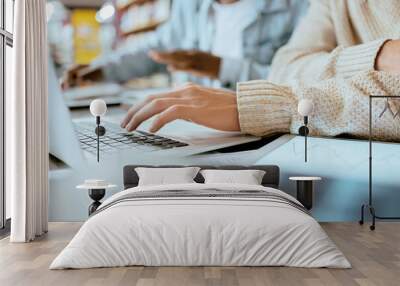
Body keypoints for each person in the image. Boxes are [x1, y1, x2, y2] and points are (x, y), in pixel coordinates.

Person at [121, 0, 400, 142]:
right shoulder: (192, 6)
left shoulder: (290, 5)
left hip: (284, 122)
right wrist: (378, 56)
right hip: (245, 122)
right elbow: (285, 69)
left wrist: (260, 105)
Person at [64, 0, 307, 89]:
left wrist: (221, 68)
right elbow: (153, 49)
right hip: (201, 134)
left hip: (264, 137)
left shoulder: (296, 8)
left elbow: (303, 80)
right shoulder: (189, 5)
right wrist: (100, 68)